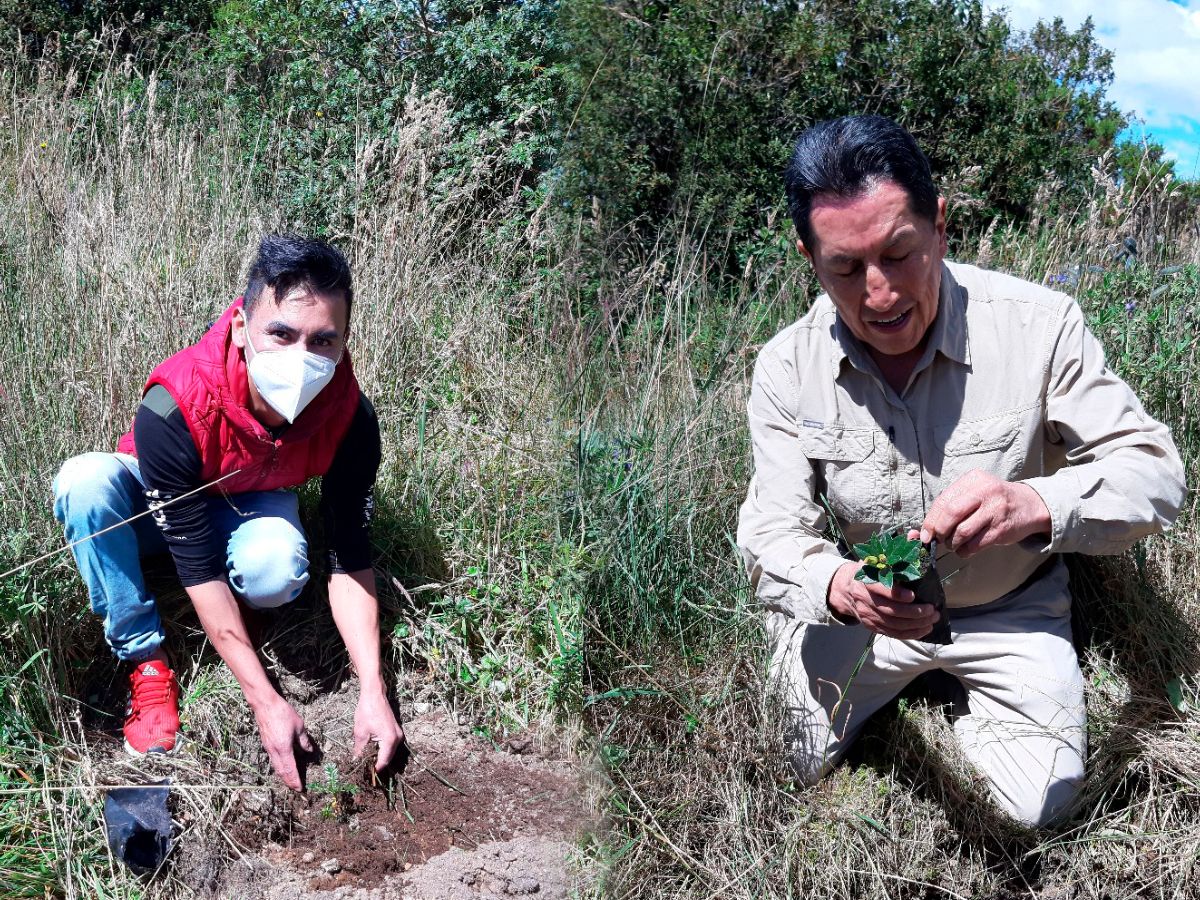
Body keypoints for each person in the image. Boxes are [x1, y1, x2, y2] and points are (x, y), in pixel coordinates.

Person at [736, 115, 1185, 827]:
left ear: (940, 227)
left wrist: (1033, 504)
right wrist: (838, 586)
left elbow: (1157, 474)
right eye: (845, 269)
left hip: (1011, 609)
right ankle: (880, 677)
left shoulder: (1042, 325)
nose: (878, 293)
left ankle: (956, 694)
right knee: (780, 755)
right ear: (809, 258)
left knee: (1041, 809)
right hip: (864, 607)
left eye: (900, 253)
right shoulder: (786, 367)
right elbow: (769, 530)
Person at [53, 235, 405, 790]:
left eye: (323, 341)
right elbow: (196, 562)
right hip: (160, 499)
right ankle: (146, 660)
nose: (301, 357)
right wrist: (265, 700)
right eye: (282, 333)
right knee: (84, 485)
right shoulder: (173, 405)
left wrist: (373, 691)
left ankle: (240, 615)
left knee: (277, 568)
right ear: (242, 327)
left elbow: (349, 556)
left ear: (344, 345)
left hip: (249, 496)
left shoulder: (350, 417)